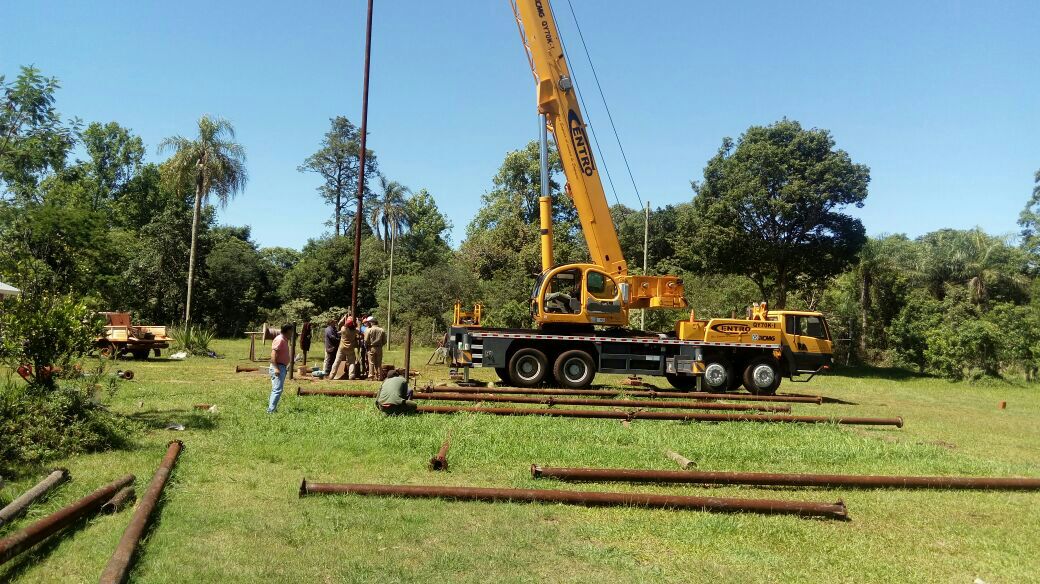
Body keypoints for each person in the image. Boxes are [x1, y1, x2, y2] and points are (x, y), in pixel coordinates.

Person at [267, 324, 293, 413]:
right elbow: (273, 355)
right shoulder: (280, 340)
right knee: (277, 390)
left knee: (276, 389)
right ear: (288, 331)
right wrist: (276, 368)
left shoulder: (284, 340)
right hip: (278, 367)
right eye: (291, 331)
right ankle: (271, 411)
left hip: (281, 366)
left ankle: (272, 408)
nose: (292, 333)